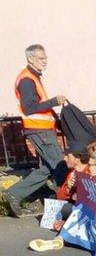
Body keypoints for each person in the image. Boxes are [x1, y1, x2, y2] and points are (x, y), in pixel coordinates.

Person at [3, 44, 69, 217]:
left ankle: (14, 194)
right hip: (39, 131)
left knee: (48, 168)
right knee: (60, 166)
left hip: (42, 130)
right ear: (31, 59)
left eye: (45, 57)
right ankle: (62, 203)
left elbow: (38, 107)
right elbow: (30, 108)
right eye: (41, 58)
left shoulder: (32, 77)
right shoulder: (27, 80)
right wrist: (54, 101)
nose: (45, 61)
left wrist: (58, 121)